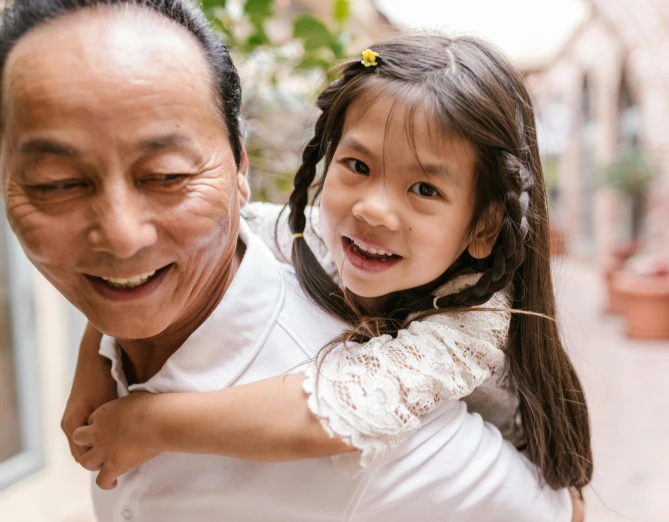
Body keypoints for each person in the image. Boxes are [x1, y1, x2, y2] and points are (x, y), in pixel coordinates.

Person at [0, 0, 582, 520]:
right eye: (358, 167)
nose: (374, 210)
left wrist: (150, 421)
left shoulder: (466, 330)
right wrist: (94, 358)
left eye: (425, 190)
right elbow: (133, 269)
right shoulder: (306, 237)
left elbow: (328, 412)